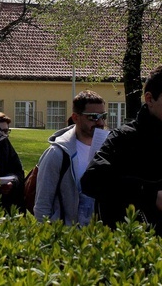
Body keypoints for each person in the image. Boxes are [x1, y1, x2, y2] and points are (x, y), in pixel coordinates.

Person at [81, 65, 162, 234]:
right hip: (129, 243)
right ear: (149, 99)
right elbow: (92, 180)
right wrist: (151, 196)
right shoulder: (124, 138)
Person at [34, 90, 106, 225]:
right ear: (75, 117)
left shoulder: (109, 150)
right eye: (93, 117)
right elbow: (42, 203)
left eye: (103, 116)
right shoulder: (57, 153)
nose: (100, 122)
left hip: (103, 237)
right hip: (67, 237)